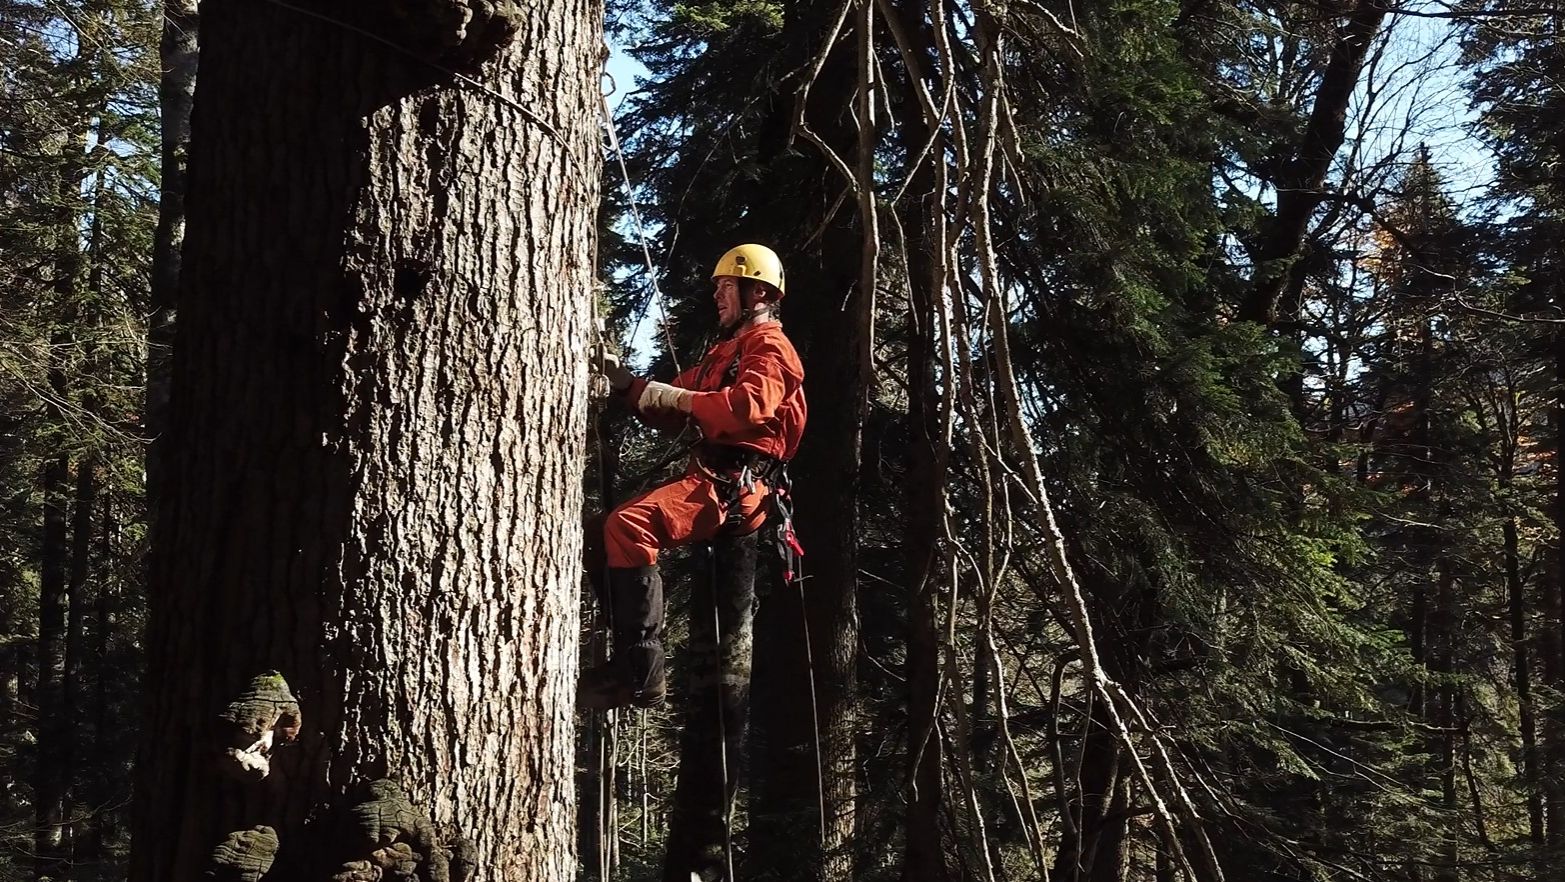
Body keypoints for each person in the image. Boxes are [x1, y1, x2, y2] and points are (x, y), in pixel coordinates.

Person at [580, 244, 807, 710]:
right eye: (719, 288)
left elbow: (747, 408)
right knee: (596, 534)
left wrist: (679, 401)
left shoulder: (770, 347)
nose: (718, 296)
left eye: (727, 287)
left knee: (629, 525)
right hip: (717, 479)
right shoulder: (727, 352)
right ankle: (628, 655)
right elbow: (672, 400)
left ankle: (639, 675)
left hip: (733, 487)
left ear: (757, 293)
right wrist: (625, 383)